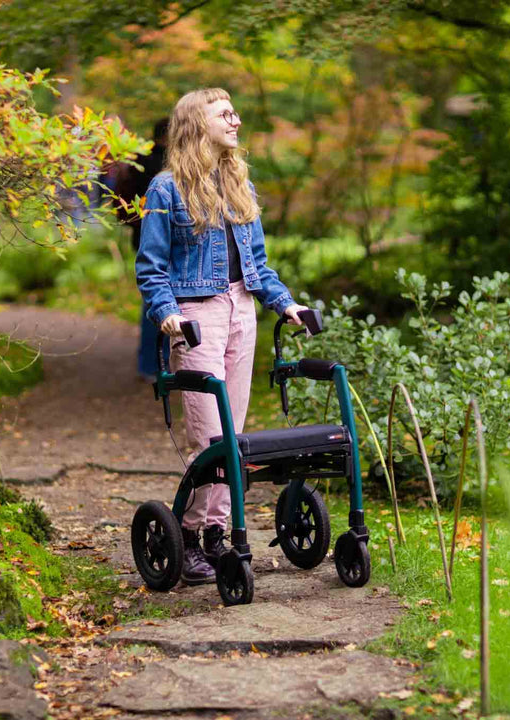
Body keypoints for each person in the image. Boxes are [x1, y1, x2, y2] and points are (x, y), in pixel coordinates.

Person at [135, 88, 309, 585]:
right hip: (196, 315)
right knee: (209, 436)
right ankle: (188, 535)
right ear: (196, 123)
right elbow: (151, 267)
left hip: (242, 310)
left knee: (232, 438)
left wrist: (285, 303)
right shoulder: (166, 190)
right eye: (223, 113)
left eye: (234, 112)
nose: (235, 120)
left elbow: (258, 265)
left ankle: (216, 536)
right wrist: (167, 313)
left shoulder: (239, 184)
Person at [118, 118, 171, 382]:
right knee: (166, 301)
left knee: (152, 300)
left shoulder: (140, 160)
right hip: (169, 242)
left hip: (142, 238)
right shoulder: (169, 165)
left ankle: (149, 365)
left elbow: (123, 201)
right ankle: (163, 365)